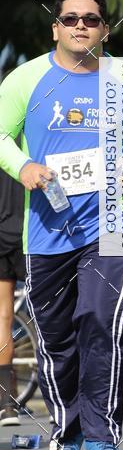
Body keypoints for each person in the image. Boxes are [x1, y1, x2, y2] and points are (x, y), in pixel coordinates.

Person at [0, 0, 123, 450]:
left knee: (102, 323)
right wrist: (23, 166)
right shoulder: (25, 80)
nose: (80, 26)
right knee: (58, 339)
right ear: (56, 27)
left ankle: (102, 437)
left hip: (112, 224)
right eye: (71, 19)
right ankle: (68, 435)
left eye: (91, 19)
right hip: (48, 231)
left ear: (105, 29)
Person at [0, 167, 25, 425]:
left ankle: (7, 403)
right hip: (32, 231)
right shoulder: (34, 131)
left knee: (3, 315)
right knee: (50, 313)